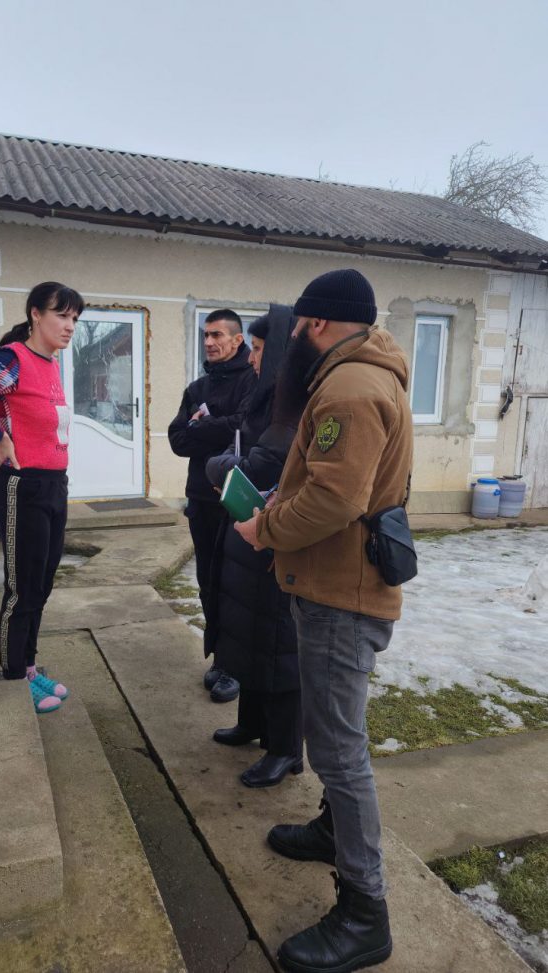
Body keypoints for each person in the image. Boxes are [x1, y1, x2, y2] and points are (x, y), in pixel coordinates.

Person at [235, 269, 413, 973]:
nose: (287, 347)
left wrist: (267, 528)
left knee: (339, 751)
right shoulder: (359, 375)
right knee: (337, 739)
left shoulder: (350, 388)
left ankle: (365, 912)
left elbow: (338, 500)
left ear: (314, 324)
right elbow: (328, 480)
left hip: (343, 596)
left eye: (294, 331)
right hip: (336, 584)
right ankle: (334, 831)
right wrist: (280, 500)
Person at [0, 281, 85, 714]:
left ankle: (28, 667)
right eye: (61, 315)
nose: (69, 325)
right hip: (21, 488)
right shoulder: (13, 359)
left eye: (75, 318)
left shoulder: (51, 364)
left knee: (41, 585)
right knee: (21, 588)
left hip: (54, 486)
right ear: (35, 315)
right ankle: (13, 680)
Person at [204, 306, 303, 787]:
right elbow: (239, 449)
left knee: (279, 647)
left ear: (281, 353)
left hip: (276, 543)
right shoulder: (263, 397)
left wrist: (221, 466)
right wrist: (229, 462)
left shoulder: (294, 406)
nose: (252, 358)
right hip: (249, 536)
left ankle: (284, 748)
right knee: (251, 637)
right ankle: (253, 723)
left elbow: (257, 465)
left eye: (260, 349)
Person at [168, 309, 257, 702]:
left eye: (217, 335)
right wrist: (218, 428)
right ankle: (220, 659)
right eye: (206, 335)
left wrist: (202, 426)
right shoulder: (197, 388)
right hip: (202, 499)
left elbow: (247, 429)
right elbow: (178, 440)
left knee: (235, 584)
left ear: (237, 340)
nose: (209, 342)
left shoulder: (253, 381)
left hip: (237, 499)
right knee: (208, 581)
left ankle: (238, 664)